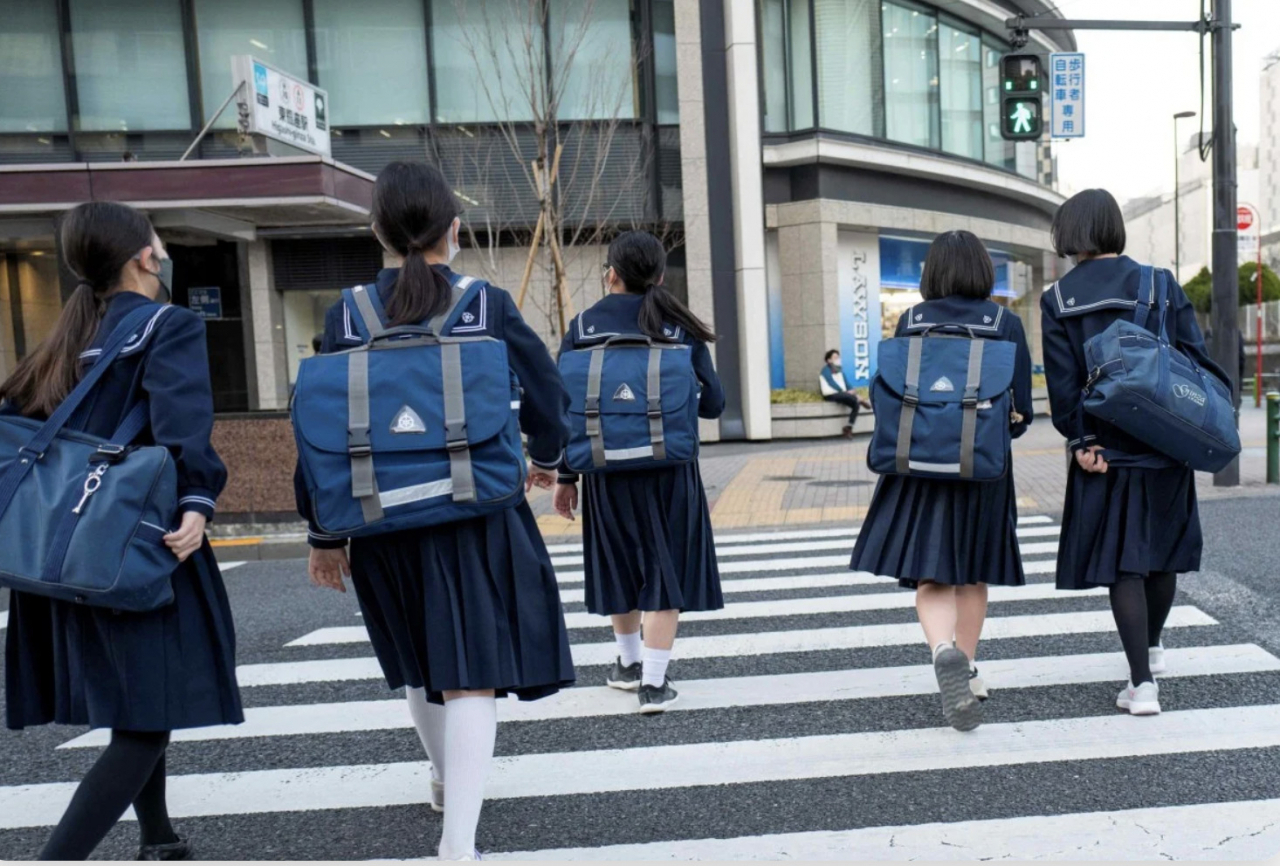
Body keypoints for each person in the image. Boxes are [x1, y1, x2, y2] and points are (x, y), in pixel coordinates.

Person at [296, 162, 575, 861]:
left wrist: (324, 534)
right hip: (477, 512)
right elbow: (547, 394)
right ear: (455, 229)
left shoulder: (350, 311)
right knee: (471, 669)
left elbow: (318, 432)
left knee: (420, 664)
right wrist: (546, 458)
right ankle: (459, 843)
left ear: (378, 232)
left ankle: (447, 785)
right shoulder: (485, 304)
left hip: (379, 518)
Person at [1, 202, 243, 860]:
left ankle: (158, 835)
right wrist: (197, 502)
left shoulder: (67, 338)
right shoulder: (168, 325)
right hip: (134, 546)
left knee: (136, 700)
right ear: (144, 255)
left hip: (58, 557)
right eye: (157, 239)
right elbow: (181, 424)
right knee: (148, 714)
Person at [1040, 189, 1230, 716]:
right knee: (1160, 553)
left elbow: (1063, 384)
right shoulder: (1159, 283)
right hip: (1168, 439)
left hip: (1106, 447)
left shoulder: (1058, 299)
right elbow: (1195, 357)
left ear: (1068, 234)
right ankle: (1152, 646)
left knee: (1123, 561)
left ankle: (1141, 684)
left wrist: (1080, 440)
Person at [850, 230, 1033, 732]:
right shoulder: (1006, 323)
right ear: (982, 270)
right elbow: (1023, 412)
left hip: (919, 465)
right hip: (982, 470)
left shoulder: (912, 321)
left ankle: (941, 651)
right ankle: (967, 670)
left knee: (932, 574)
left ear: (930, 272)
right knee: (973, 572)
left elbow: (891, 390)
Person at [551, 231, 725, 713]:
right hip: (671, 471)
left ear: (612, 273)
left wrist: (567, 477)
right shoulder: (677, 325)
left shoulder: (582, 326)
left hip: (604, 471)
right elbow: (714, 404)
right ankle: (654, 682)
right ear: (660, 276)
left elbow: (566, 408)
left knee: (618, 566)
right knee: (662, 568)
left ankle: (627, 666)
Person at [819, 349, 872, 438]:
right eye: (835, 357)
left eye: (838, 357)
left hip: (843, 394)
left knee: (856, 404)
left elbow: (846, 383)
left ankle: (848, 427)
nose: (838, 359)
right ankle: (859, 398)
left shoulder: (839, 370)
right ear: (829, 360)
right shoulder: (825, 371)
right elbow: (831, 383)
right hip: (830, 394)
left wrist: (851, 390)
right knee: (854, 398)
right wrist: (846, 392)